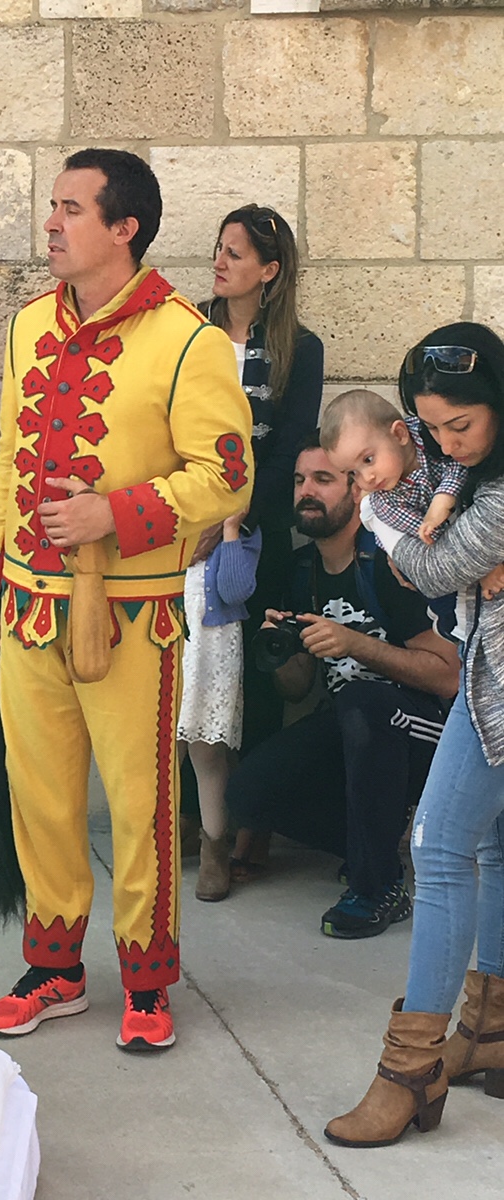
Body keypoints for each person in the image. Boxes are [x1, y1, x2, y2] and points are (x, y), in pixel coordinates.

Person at [0, 148, 253, 1052]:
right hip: (27, 606)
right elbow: (13, 460)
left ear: (124, 226)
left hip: (133, 608)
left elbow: (228, 478)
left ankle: (147, 980)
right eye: (52, 206)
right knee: (39, 797)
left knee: (139, 803)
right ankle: (55, 971)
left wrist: (116, 511)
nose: (51, 224)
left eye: (71, 209)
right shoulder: (23, 329)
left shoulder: (191, 342)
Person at [325, 323, 504, 1147]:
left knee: (435, 851)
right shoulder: (465, 470)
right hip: (485, 663)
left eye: (460, 426)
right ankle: (489, 1032)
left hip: (495, 679)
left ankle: (412, 1068)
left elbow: (432, 571)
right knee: (492, 845)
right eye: (431, 428)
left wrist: (371, 513)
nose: (445, 445)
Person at [225, 434, 460, 937]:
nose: (306, 491)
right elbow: (297, 688)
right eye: (299, 480)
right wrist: (280, 652)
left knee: (362, 702)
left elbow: (448, 676)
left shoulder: (389, 562)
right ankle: (370, 850)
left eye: (323, 480)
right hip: (354, 730)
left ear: (358, 491)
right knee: (247, 794)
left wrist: (355, 643)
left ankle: (377, 888)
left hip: (428, 732)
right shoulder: (303, 568)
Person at [187, 204, 323, 878]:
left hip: (261, 533)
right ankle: (193, 816)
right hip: (186, 532)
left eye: (235, 253)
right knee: (187, 674)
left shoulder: (302, 347)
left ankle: (253, 823)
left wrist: (234, 516)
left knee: (256, 675)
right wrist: (195, 517)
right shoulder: (187, 333)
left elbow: (292, 446)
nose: (220, 261)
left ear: (268, 271)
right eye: (219, 249)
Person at [177, 510, 261, 901]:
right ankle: (155, 841)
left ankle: (214, 850)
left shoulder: (243, 534)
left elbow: (235, 589)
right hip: (168, 640)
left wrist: (229, 529)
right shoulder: (169, 523)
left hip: (211, 650)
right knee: (159, 752)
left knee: (207, 753)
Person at [321, 387, 467, 546]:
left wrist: (444, 496)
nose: (367, 479)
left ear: (399, 434)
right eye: (353, 473)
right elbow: (431, 537)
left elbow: (462, 459)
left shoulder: (426, 432)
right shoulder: (386, 505)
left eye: (368, 459)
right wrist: (431, 523)